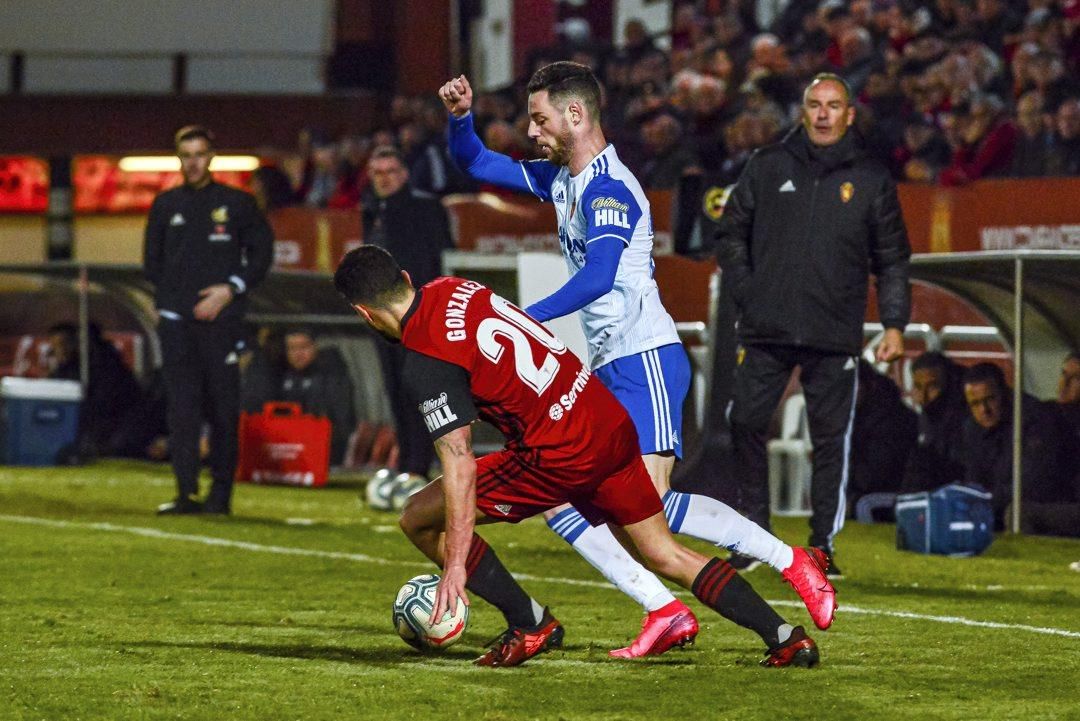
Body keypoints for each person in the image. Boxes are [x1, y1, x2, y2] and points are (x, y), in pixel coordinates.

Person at [441, 63, 836, 658]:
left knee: (646, 512)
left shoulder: (608, 189)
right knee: (565, 503)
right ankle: (663, 608)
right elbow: (475, 162)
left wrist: (527, 316)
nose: (531, 130)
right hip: (608, 367)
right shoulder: (562, 179)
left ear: (576, 115)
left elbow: (599, 277)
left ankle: (788, 559)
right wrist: (460, 118)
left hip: (645, 359)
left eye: (540, 117)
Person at [333, 245, 830, 669]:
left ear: (364, 313)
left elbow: (459, 464)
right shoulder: (452, 286)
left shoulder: (425, 361)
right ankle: (786, 637)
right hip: (602, 419)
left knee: (419, 517)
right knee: (662, 551)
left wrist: (456, 565)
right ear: (404, 278)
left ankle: (530, 623)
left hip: (557, 452)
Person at [716, 73, 912, 577]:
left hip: (834, 332)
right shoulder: (767, 165)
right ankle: (754, 535)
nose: (823, 114)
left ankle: (822, 544)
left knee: (831, 440)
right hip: (766, 327)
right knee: (744, 421)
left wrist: (894, 324)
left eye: (833, 105)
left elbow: (892, 259)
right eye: (814, 104)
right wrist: (747, 292)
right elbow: (731, 232)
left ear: (849, 115)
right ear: (802, 111)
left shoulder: (870, 179)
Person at [143, 125, 273, 515]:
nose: (193, 162)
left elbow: (262, 255)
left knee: (222, 409)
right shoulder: (165, 205)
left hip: (222, 325)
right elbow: (151, 263)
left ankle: (220, 496)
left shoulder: (238, 203)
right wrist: (173, 305)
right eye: (186, 155)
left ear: (211, 156)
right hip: (178, 325)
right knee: (182, 410)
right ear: (179, 158)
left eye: (199, 154)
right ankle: (185, 493)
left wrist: (228, 290)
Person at [361, 145, 455, 491]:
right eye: (377, 173)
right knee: (395, 390)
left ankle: (419, 465)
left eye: (390, 172)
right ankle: (407, 464)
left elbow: (441, 259)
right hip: (382, 318)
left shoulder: (426, 208)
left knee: (421, 392)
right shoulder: (372, 210)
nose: (383, 179)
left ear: (404, 174)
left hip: (417, 317)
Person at [961, 363, 1068, 534]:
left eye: (989, 399)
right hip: (998, 505)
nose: (984, 410)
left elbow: (1032, 484)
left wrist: (985, 502)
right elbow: (974, 479)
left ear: (1005, 392)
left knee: (1018, 513)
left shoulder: (1035, 419)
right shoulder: (972, 428)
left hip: (1050, 503)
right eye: (975, 404)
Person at [44, 322, 143, 458]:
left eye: (64, 344)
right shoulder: (67, 369)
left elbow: (104, 402)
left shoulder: (105, 366)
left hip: (115, 424)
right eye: (55, 346)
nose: (60, 350)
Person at [274, 327, 357, 466]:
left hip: (326, 451)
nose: (297, 354)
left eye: (303, 347)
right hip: (293, 450)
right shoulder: (286, 377)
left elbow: (341, 419)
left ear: (315, 347)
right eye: (292, 348)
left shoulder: (333, 375)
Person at [902, 351, 970, 493]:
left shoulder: (967, 415)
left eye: (932, 387)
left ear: (949, 383)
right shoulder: (930, 414)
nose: (924, 396)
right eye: (918, 387)